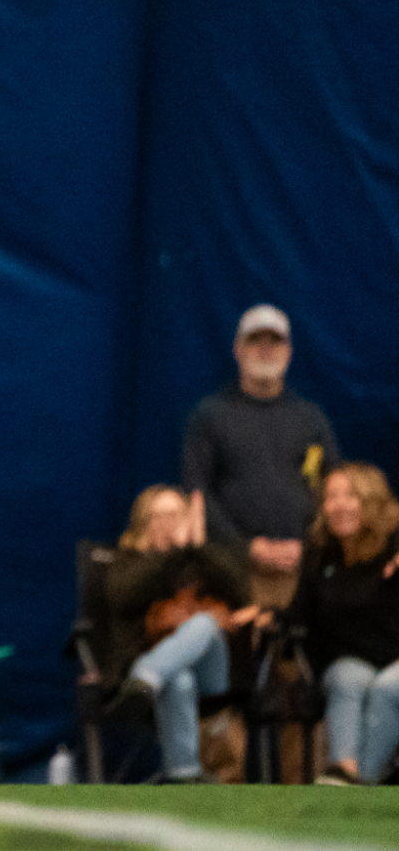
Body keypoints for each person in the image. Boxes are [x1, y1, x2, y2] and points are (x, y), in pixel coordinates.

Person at [182, 304, 339, 608]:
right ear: (237, 349)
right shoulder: (210, 416)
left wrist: (307, 546)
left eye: (275, 341)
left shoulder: (311, 419)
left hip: (304, 572)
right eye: (255, 340)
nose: (266, 349)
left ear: (289, 352)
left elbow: (333, 487)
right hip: (232, 574)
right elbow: (196, 492)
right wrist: (247, 548)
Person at [103, 485, 263, 783]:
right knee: (179, 678)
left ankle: (147, 675)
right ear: (144, 523)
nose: (167, 524)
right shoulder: (128, 561)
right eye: (159, 516)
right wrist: (170, 554)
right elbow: (122, 596)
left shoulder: (206, 559)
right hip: (164, 673)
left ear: (188, 518)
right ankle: (184, 777)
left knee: (204, 623)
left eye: (175, 516)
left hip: (214, 674)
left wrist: (200, 548)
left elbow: (242, 595)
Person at [292, 462, 399, 785]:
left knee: (387, 688)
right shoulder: (320, 554)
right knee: (347, 677)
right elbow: (300, 615)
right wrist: (267, 615)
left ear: (371, 501)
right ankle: (345, 770)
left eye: (350, 496)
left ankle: (355, 788)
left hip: (393, 662)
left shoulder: (394, 543)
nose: (339, 505)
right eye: (331, 497)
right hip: (351, 662)